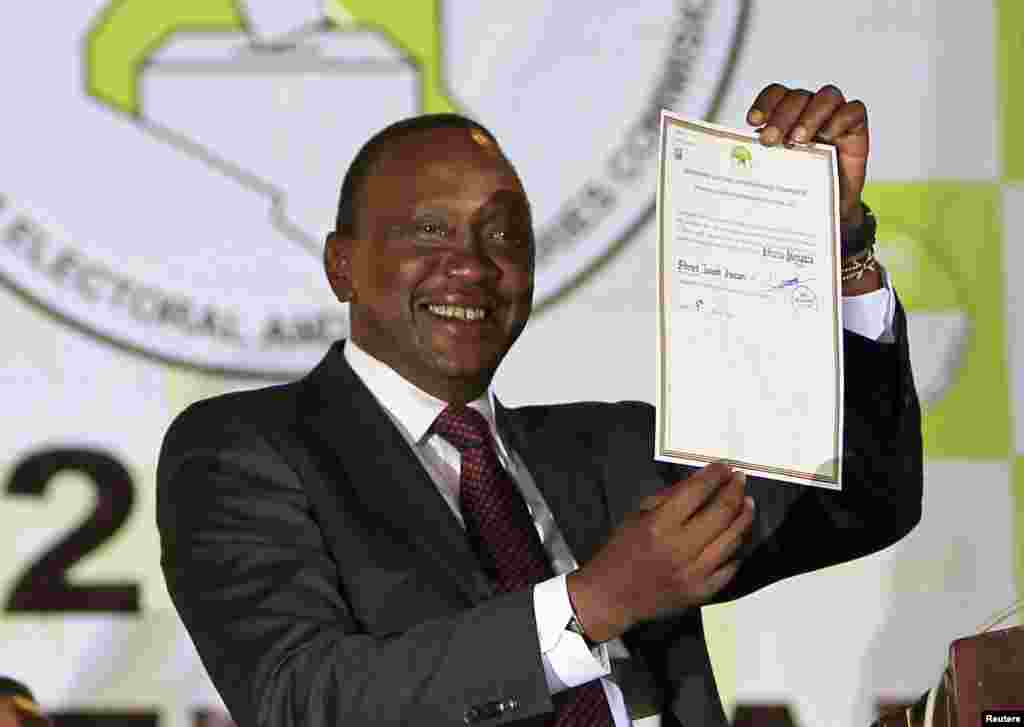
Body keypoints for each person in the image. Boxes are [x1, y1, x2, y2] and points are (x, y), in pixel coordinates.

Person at [157, 83, 922, 727]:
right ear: (342, 265)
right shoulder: (243, 449)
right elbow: (302, 695)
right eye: (430, 230)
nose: (472, 265)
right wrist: (591, 603)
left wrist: (841, 245)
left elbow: (860, 500)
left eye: (502, 236)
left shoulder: (611, 447)